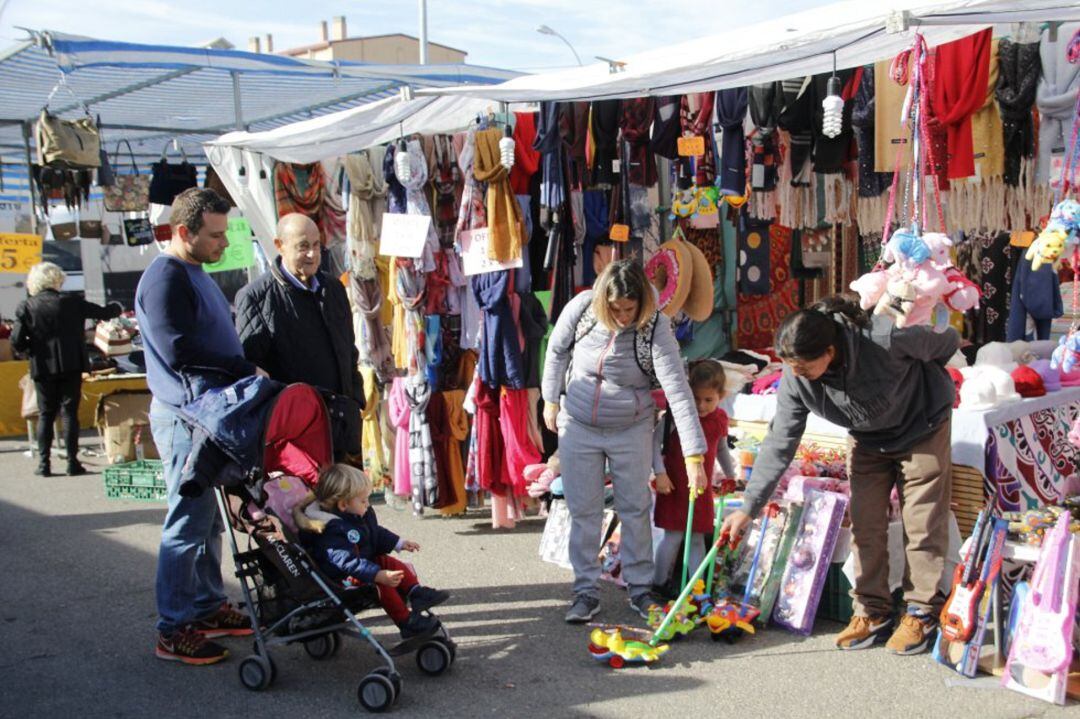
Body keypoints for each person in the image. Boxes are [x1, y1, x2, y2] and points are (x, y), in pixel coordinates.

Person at [720, 296, 959, 655]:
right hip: (867, 438)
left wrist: (923, 378)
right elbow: (780, 441)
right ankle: (872, 611)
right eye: (791, 367)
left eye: (803, 367)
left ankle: (921, 611)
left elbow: (947, 341)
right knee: (865, 523)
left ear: (830, 351)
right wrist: (749, 507)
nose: (796, 374)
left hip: (923, 425)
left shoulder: (884, 337)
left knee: (922, 521)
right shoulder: (795, 378)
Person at [136, 188, 264, 666]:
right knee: (186, 524)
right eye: (214, 235)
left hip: (202, 416)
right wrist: (242, 370)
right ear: (183, 232)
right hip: (184, 416)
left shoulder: (191, 271)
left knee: (208, 522)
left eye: (224, 232)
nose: (222, 243)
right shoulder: (165, 278)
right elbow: (178, 352)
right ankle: (173, 627)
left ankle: (205, 606)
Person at [541, 259, 707, 623]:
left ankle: (640, 589)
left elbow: (678, 390)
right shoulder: (581, 307)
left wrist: (695, 456)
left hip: (631, 428)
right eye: (614, 308)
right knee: (583, 511)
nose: (622, 316)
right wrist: (550, 398)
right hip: (579, 425)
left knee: (634, 510)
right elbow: (555, 352)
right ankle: (585, 592)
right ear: (602, 300)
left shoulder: (656, 328)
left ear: (642, 303)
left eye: (629, 308)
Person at [235, 213, 362, 458]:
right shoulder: (256, 297)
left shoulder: (333, 288)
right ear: (279, 245)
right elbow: (253, 372)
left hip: (342, 425)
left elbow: (350, 352)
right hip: (295, 435)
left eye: (316, 245)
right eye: (303, 246)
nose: (313, 254)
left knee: (347, 495)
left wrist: (356, 400)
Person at [301, 464, 450, 639]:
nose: (368, 504)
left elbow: (374, 532)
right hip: (342, 579)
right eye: (363, 501)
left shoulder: (357, 515)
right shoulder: (331, 530)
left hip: (361, 565)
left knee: (386, 561)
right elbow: (346, 562)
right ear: (343, 504)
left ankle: (416, 592)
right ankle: (405, 621)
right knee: (381, 583)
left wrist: (399, 543)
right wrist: (377, 574)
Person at [12, 261, 122, 476]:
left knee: (46, 414)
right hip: (72, 364)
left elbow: (17, 341)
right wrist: (117, 307)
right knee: (69, 414)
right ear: (57, 279)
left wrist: (32, 347)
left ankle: (44, 465)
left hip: (42, 366)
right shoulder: (72, 302)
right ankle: (73, 463)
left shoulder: (26, 306)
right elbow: (104, 312)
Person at [652, 360, 736, 591]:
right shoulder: (677, 416)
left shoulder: (719, 419)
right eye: (696, 398)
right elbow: (654, 443)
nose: (701, 405)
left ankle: (696, 589)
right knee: (674, 536)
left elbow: (720, 448)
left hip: (701, 488)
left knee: (698, 537)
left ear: (722, 395)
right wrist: (659, 473)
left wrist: (731, 475)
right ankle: (658, 583)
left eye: (708, 400)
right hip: (675, 486)